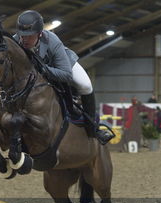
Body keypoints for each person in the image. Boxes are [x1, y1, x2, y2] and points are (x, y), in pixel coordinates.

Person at [14, 10, 114, 145]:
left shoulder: (52, 40)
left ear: (39, 34)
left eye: (29, 36)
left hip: (61, 65)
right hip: (36, 77)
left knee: (85, 85)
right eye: (22, 36)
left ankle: (93, 129)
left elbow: (66, 74)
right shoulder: (15, 43)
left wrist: (43, 69)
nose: (24, 40)